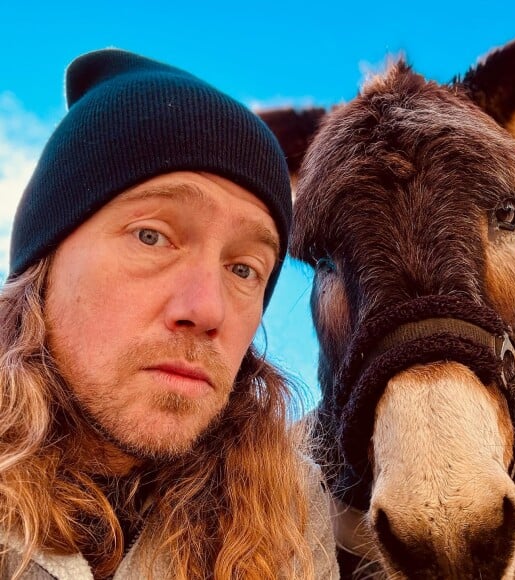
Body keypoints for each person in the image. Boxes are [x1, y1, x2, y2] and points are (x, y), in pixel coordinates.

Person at [0, 49, 338, 579]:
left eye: (245, 269)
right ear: (44, 262)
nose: (207, 309)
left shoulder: (291, 522)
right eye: (152, 236)